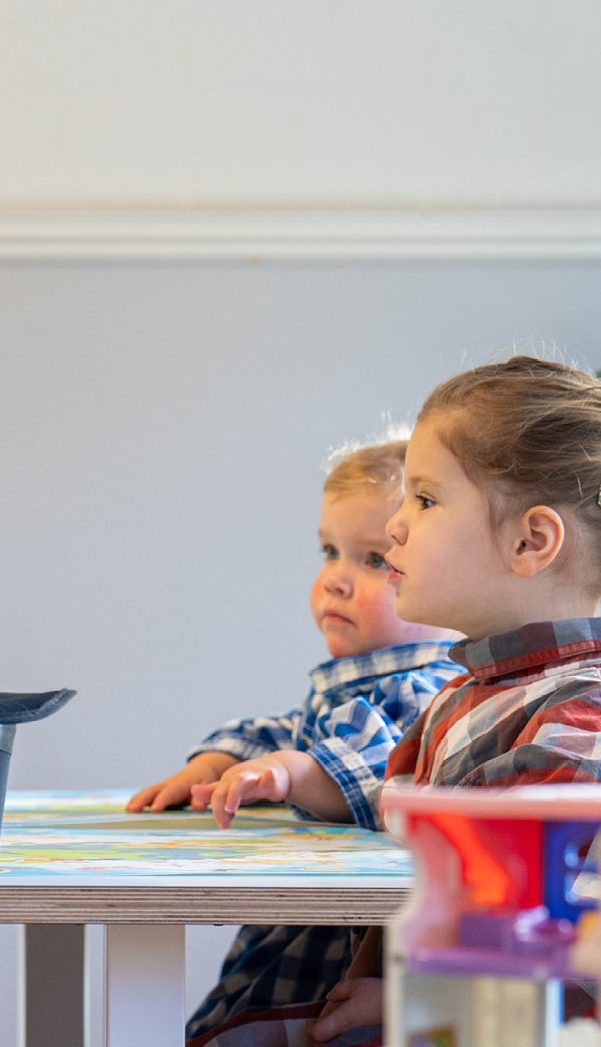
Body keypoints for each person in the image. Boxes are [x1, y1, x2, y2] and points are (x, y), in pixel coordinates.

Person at [305, 356, 601, 1041]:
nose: (396, 526)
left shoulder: (586, 718)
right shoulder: (475, 692)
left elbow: (569, 950)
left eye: (424, 500)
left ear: (531, 541)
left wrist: (415, 1004)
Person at [121, 440, 462, 1047]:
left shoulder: (430, 688)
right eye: (330, 551)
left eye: (375, 560)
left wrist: (286, 773)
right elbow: (279, 731)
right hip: (298, 945)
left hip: (345, 965)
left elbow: (371, 771)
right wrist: (215, 763)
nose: (335, 578)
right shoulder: (352, 685)